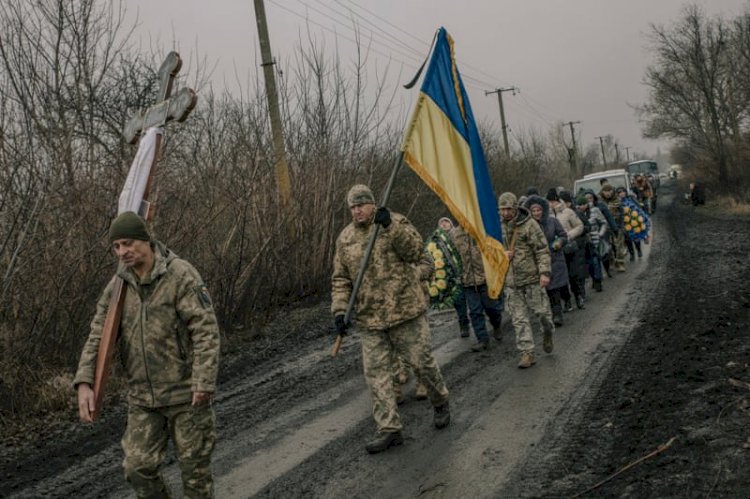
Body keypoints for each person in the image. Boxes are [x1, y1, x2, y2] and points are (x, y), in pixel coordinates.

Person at [74, 211, 221, 499]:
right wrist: (84, 382)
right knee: (137, 469)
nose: (122, 252)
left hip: (185, 395)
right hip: (143, 400)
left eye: (128, 243)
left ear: (146, 240)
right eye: (116, 247)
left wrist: (203, 381)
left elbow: (205, 329)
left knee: (195, 476)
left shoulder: (180, 275)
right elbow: (98, 336)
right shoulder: (118, 287)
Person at [331, 184, 450, 453]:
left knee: (422, 364)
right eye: (353, 206)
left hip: (405, 311)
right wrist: (340, 310)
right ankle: (389, 428)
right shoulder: (345, 238)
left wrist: (390, 228)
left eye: (362, 204)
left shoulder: (394, 222)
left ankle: (440, 401)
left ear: (373, 204)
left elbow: (416, 251)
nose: (357, 210)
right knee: (376, 375)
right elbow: (340, 279)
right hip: (370, 319)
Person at [498, 192, 554, 369]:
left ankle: (548, 332)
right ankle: (527, 352)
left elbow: (542, 249)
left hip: (531, 279)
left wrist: (544, 272)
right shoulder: (496, 227)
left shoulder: (529, 225)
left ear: (515, 208)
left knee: (543, 314)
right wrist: (501, 254)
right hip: (511, 282)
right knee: (519, 320)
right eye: (502, 210)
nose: (505, 213)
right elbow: (487, 251)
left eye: (508, 209)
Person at [450, 222, 504, 351]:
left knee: (491, 308)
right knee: (474, 311)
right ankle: (482, 339)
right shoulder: (454, 234)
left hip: (484, 277)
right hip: (467, 280)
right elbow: (452, 255)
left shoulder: (480, 228)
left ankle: (496, 325)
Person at [525, 195, 569, 327]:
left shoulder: (552, 221)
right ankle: (546, 315)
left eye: (538, 210)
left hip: (554, 259)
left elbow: (563, 235)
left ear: (543, 210)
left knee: (554, 288)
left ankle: (557, 314)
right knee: (544, 291)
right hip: (536, 261)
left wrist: (558, 243)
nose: (537, 213)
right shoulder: (527, 226)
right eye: (533, 211)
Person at [428, 217, 470, 338]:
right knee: (459, 301)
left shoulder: (458, 235)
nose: (444, 224)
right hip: (451, 276)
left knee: (473, 302)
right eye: (441, 223)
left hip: (466, 272)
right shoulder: (436, 241)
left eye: (446, 222)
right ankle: (464, 324)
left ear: (451, 224)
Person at [555, 190, 588, 309]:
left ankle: (578, 296)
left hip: (569, 248)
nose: (552, 203)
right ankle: (566, 300)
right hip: (555, 251)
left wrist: (569, 235)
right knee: (560, 278)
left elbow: (580, 226)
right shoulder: (546, 215)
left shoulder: (568, 212)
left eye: (553, 201)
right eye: (549, 201)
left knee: (573, 275)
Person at [576, 194, 608, 292]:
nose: (582, 206)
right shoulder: (576, 214)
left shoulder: (595, 211)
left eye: (584, 204)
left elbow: (603, 222)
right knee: (588, 264)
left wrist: (600, 233)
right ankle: (594, 279)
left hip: (595, 240)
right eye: (580, 204)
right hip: (584, 242)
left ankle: (598, 281)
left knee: (595, 261)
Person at [598, 183, 627, 273]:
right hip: (605, 227)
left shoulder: (617, 200)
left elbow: (622, 214)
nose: (608, 193)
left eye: (609, 191)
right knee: (608, 246)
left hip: (617, 226)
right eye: (605, 191)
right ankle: (611, 261)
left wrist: (622, 226)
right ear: (602, 192)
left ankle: (620, 263)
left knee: (619, 246)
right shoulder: (599, 202)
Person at [616, 187, 642, 259]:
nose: (621, 193)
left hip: (633, 221)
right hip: (624, 223)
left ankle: (639, 250)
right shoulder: (618, 202)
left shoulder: (631, 199)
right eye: (619, 193)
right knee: (628, 240)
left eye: (623, 192)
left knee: (636, 237)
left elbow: (638, 207)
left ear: (625, 192)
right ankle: (632, 254)